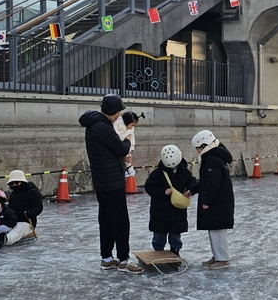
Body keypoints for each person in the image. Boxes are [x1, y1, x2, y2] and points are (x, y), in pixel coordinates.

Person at [80, 93, 143, 273]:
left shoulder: (93, 125)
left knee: (106, 219)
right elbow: (120, 148)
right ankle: (124, 260)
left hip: (101, 181)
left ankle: (107, 257)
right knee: (121, 221)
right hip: (111, 181)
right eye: (118, 112)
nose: (119, 116)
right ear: (113, 111)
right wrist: (127, 140)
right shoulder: (103, 128)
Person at [189, 130, 235, 269]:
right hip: (219, 200)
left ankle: (223, 258)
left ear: (204, 145)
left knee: (218, 229)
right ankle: (217, 255)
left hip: (218, 201)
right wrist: (193, 190)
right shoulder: (213, 157)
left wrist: (206, 201)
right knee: (213, 228)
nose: (197, 151)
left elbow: (213, 183)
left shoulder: (212, 160)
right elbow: (205, 181)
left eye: (198, 148)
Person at [143, 144, 196, 255]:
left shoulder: (184, 171)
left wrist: (190, 190)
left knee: (175, 233)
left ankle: (175, 250)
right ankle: (158, 250)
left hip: (177, 209)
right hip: (160, 209)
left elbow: (192, 182)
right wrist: (162, 192)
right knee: (159, 233)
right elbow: (149, 187)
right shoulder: (158, 173)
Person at [2, 169, 42, 245]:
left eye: (16, 183)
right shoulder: (13, 194)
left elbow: (39, 207)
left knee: (19, 229)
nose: (14, 185)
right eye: (11, 184)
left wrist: (30, 213)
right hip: (13, 219)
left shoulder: (32, 192)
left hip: (27, 221)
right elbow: (10, 207)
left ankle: (6, 239)